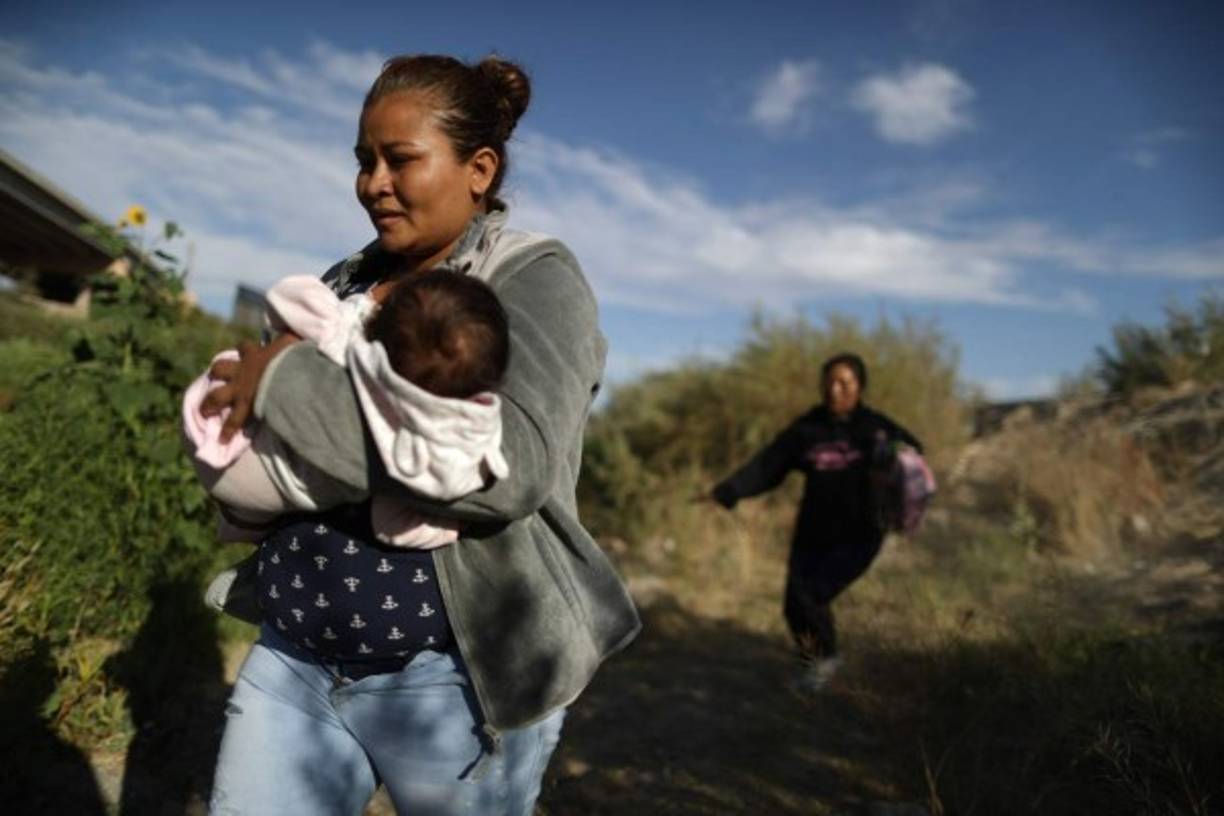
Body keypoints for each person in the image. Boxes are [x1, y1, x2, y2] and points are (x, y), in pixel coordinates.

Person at [199, 54, 640, 815]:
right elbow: (256, 434)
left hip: (453, 682)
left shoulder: (531, 277)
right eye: (364, 161)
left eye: (400, 159)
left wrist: (283, 384)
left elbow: (509, 468)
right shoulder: (338, 282)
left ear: (479, 169)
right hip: (295, 655)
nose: (374, 183)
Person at [183, 269, 510, 549]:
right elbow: (390, 524)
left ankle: (237, 517)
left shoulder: (346, 340)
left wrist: (360, 307)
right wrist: (444, 528)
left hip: (217, 415)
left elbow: (287, 296)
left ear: (378, 327)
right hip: (257, 494)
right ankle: (242, 522)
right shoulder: (421, 447)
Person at [710, 352, 922, 693]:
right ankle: (817, 666)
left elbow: (913, 454)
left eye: (844, 383)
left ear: (860, 387)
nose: (835, 390)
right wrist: (729, 491)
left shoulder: (876, 428)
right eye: (829, 382)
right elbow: (769, 465)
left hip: (861, 533)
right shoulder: (808, 429)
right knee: (794, 603)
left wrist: (893, 456)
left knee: (812, 595)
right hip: (813, 530)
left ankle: (826, 665)